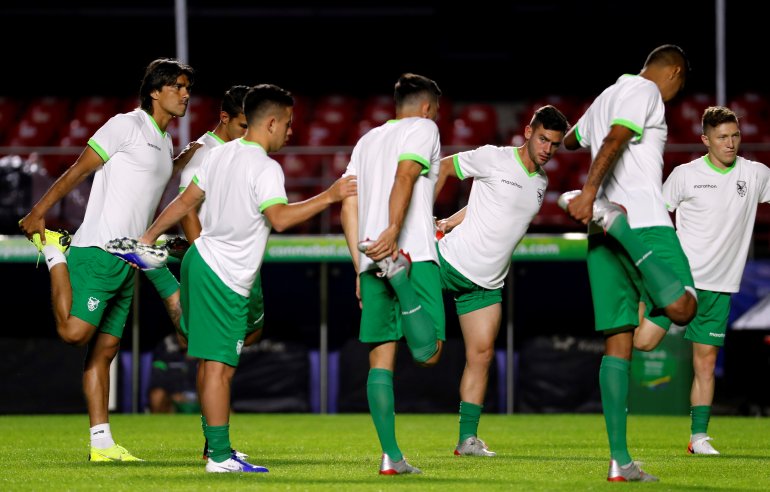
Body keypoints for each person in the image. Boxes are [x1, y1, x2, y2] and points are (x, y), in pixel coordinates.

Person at [112, 83, 356, 473]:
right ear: (271, 122)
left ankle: (220, 451)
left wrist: (147, 236)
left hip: (202, 262)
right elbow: (279, 218)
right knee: (219, 369)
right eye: (289, 124)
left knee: (213, 364)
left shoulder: (220, 154)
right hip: (223, 274)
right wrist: (330, 196)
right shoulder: (264, 167)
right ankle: (220, 457)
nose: (291, 133)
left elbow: (186, 201)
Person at [18, 58, 195, 462]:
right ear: (155, 91)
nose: (185, 94)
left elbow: (147, 188)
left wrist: (181, 161)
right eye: (178, 86)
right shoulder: (124, 125)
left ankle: (102, 445)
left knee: (106, 351)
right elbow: (79, 170)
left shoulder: (164, 143)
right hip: (97, 248)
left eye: (188, 88)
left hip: (127, 257)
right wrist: (38, 212)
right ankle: (53, 251)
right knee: (75, 334)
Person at [559, 44, 698, 482]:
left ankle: (620, 462)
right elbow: (618, 137)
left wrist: (591, 198)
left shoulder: (606, 95)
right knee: (686, 307)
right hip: (641, 222)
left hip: (598, 232)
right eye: (680, 85)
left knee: (624, 342)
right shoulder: (646, 92)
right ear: (673, 72)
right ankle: (618, 225)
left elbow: (570, 139)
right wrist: (589, 192)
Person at [434, 105, 569, 457]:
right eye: (543, 139)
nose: (547, 149)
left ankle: (467, 441)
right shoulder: (494, 158)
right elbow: (444, 167)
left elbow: (490, 209)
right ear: (528, 131)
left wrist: (451, 219)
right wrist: (425, 219)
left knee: (481, 356)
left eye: (554, 144)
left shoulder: (541, 182)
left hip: (487, 284)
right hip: (446, 263)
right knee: (424, 350)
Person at [340, 73, 443, 475]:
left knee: (380, 362)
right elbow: (406, 174)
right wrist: (393, 232)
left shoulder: (366, 140)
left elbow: (348, 202)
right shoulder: (425, 128)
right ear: (427, 107)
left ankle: (391, 457)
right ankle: (401, 279)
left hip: (369, 257)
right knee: (430, 353)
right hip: (409, 251)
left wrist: (358, 264)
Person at [662, 106, 770, 455]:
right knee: (643, 342)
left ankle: (698, 438)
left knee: (705, 362)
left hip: (719, 287)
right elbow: (656, 214)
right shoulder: (684, 174)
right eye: (722, 137)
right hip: (679, 282)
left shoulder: (756, 174)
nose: (731, 143)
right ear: (705, 139)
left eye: (735, 135)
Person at [174, 84, 263, 460]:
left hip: (238, 261)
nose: (248, 132)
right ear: (224, 118)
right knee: (214, 356)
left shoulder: (240, 152)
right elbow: (187, 208)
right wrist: (203, 255)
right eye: (243, 124)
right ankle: (215, 446)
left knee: (244, 336)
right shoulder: (205, 153)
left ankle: (215, 442)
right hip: (217, 264)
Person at [148, 333, 200, 414]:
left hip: (199, 398)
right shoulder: (166, 349)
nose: (181, 337)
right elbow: (157, 378)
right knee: (157, 395)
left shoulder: (205, 352)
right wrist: (173, 394)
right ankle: (157, 424)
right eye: (179, 333)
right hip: (174, 398)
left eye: (186, 333)